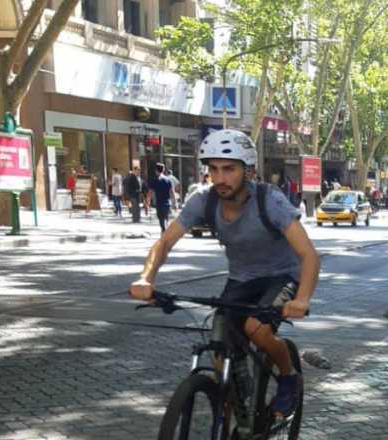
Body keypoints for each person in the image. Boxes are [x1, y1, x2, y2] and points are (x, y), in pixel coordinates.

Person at [129, 129, 318, 418]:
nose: (219, 178)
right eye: (213, 169)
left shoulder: (270, 201)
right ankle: (238, 398)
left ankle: (289, 377)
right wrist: (146, 277)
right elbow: (165, 241)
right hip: (241, 279)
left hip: (282, 276)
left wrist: (302, 298)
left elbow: (308, 255)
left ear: (249, 170)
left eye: (228, 169)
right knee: (218, 340)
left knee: (256, 328)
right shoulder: (204, 201)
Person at [152, 163, 174, 232]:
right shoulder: (168, 180)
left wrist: (147, 202)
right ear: (163, 170)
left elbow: (150, 192)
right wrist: (175, 203)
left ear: (156, 170)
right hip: (167, 203)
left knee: (161, 219)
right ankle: (165, 229)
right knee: (166, 218)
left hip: (159, 203)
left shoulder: (156, 180)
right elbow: (172, 192)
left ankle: (163, 229)